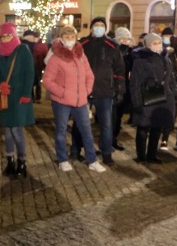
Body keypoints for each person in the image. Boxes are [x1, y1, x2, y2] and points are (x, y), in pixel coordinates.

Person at [43, 26, 107, 173]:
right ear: (61, 38)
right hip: (61, 101)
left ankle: (92, 160)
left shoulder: (81, 55)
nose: (70, 40)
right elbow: (47, 80)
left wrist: (87, 90)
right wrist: (62, 92)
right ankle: (63, 159)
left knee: (86, 131)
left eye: (72, 37)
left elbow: (89, 74)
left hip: (81, 101)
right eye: (67, 37)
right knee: (61, 131)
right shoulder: (56, 57)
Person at [72, 17, 125, 166]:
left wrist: (119, 88)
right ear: (91, 27)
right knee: (79, 122)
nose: (99, 27)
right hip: (84, 90)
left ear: (106, 28)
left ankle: (107, 153)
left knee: (106, 124)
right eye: (96, 25)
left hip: (105, 91)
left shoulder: (112, 45)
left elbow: (119, 69)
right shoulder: (82, 44)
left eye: (102, 25)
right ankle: (76, 150)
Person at [0, 22, 35, 178]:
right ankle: (10, 161)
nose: (5, 39)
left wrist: (26, 94)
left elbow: (29, 73)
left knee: (17, 130)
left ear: (14, 35)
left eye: (8, 35)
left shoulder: (22, 50)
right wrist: (1, 84)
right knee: (8, 131)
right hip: (5, 97)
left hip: (19, 97)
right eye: (2, 37)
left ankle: (22, 162)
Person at [129, 33, 177, 163]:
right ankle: (141, 156)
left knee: (157, 127)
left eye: (159, 42)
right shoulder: (140, 61)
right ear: (148, 45)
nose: (157, 45)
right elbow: (135, 83)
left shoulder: (166, 59)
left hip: (164, 98)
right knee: (143, 127)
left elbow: (171, 78)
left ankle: (152, 155)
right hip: (147, 97)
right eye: (154, 43)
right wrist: (137, 101)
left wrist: (173, 92)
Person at [112, 27, 135, 151]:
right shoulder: (114, 51)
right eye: (123, 39)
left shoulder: (130, 53)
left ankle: (113, 138)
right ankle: (110, 140)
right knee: (113, 117)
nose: (125, 41)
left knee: (119, 116)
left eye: (127, 39)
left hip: (125, 88)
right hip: (114, 87)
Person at [21, 30, 48, 103]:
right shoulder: (30, 46)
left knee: (36, 83)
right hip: (36, 67)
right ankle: (33, 97)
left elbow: (45, 56)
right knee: (33, 83)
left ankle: (36, 97)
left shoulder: (40, 45)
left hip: (38, 67)